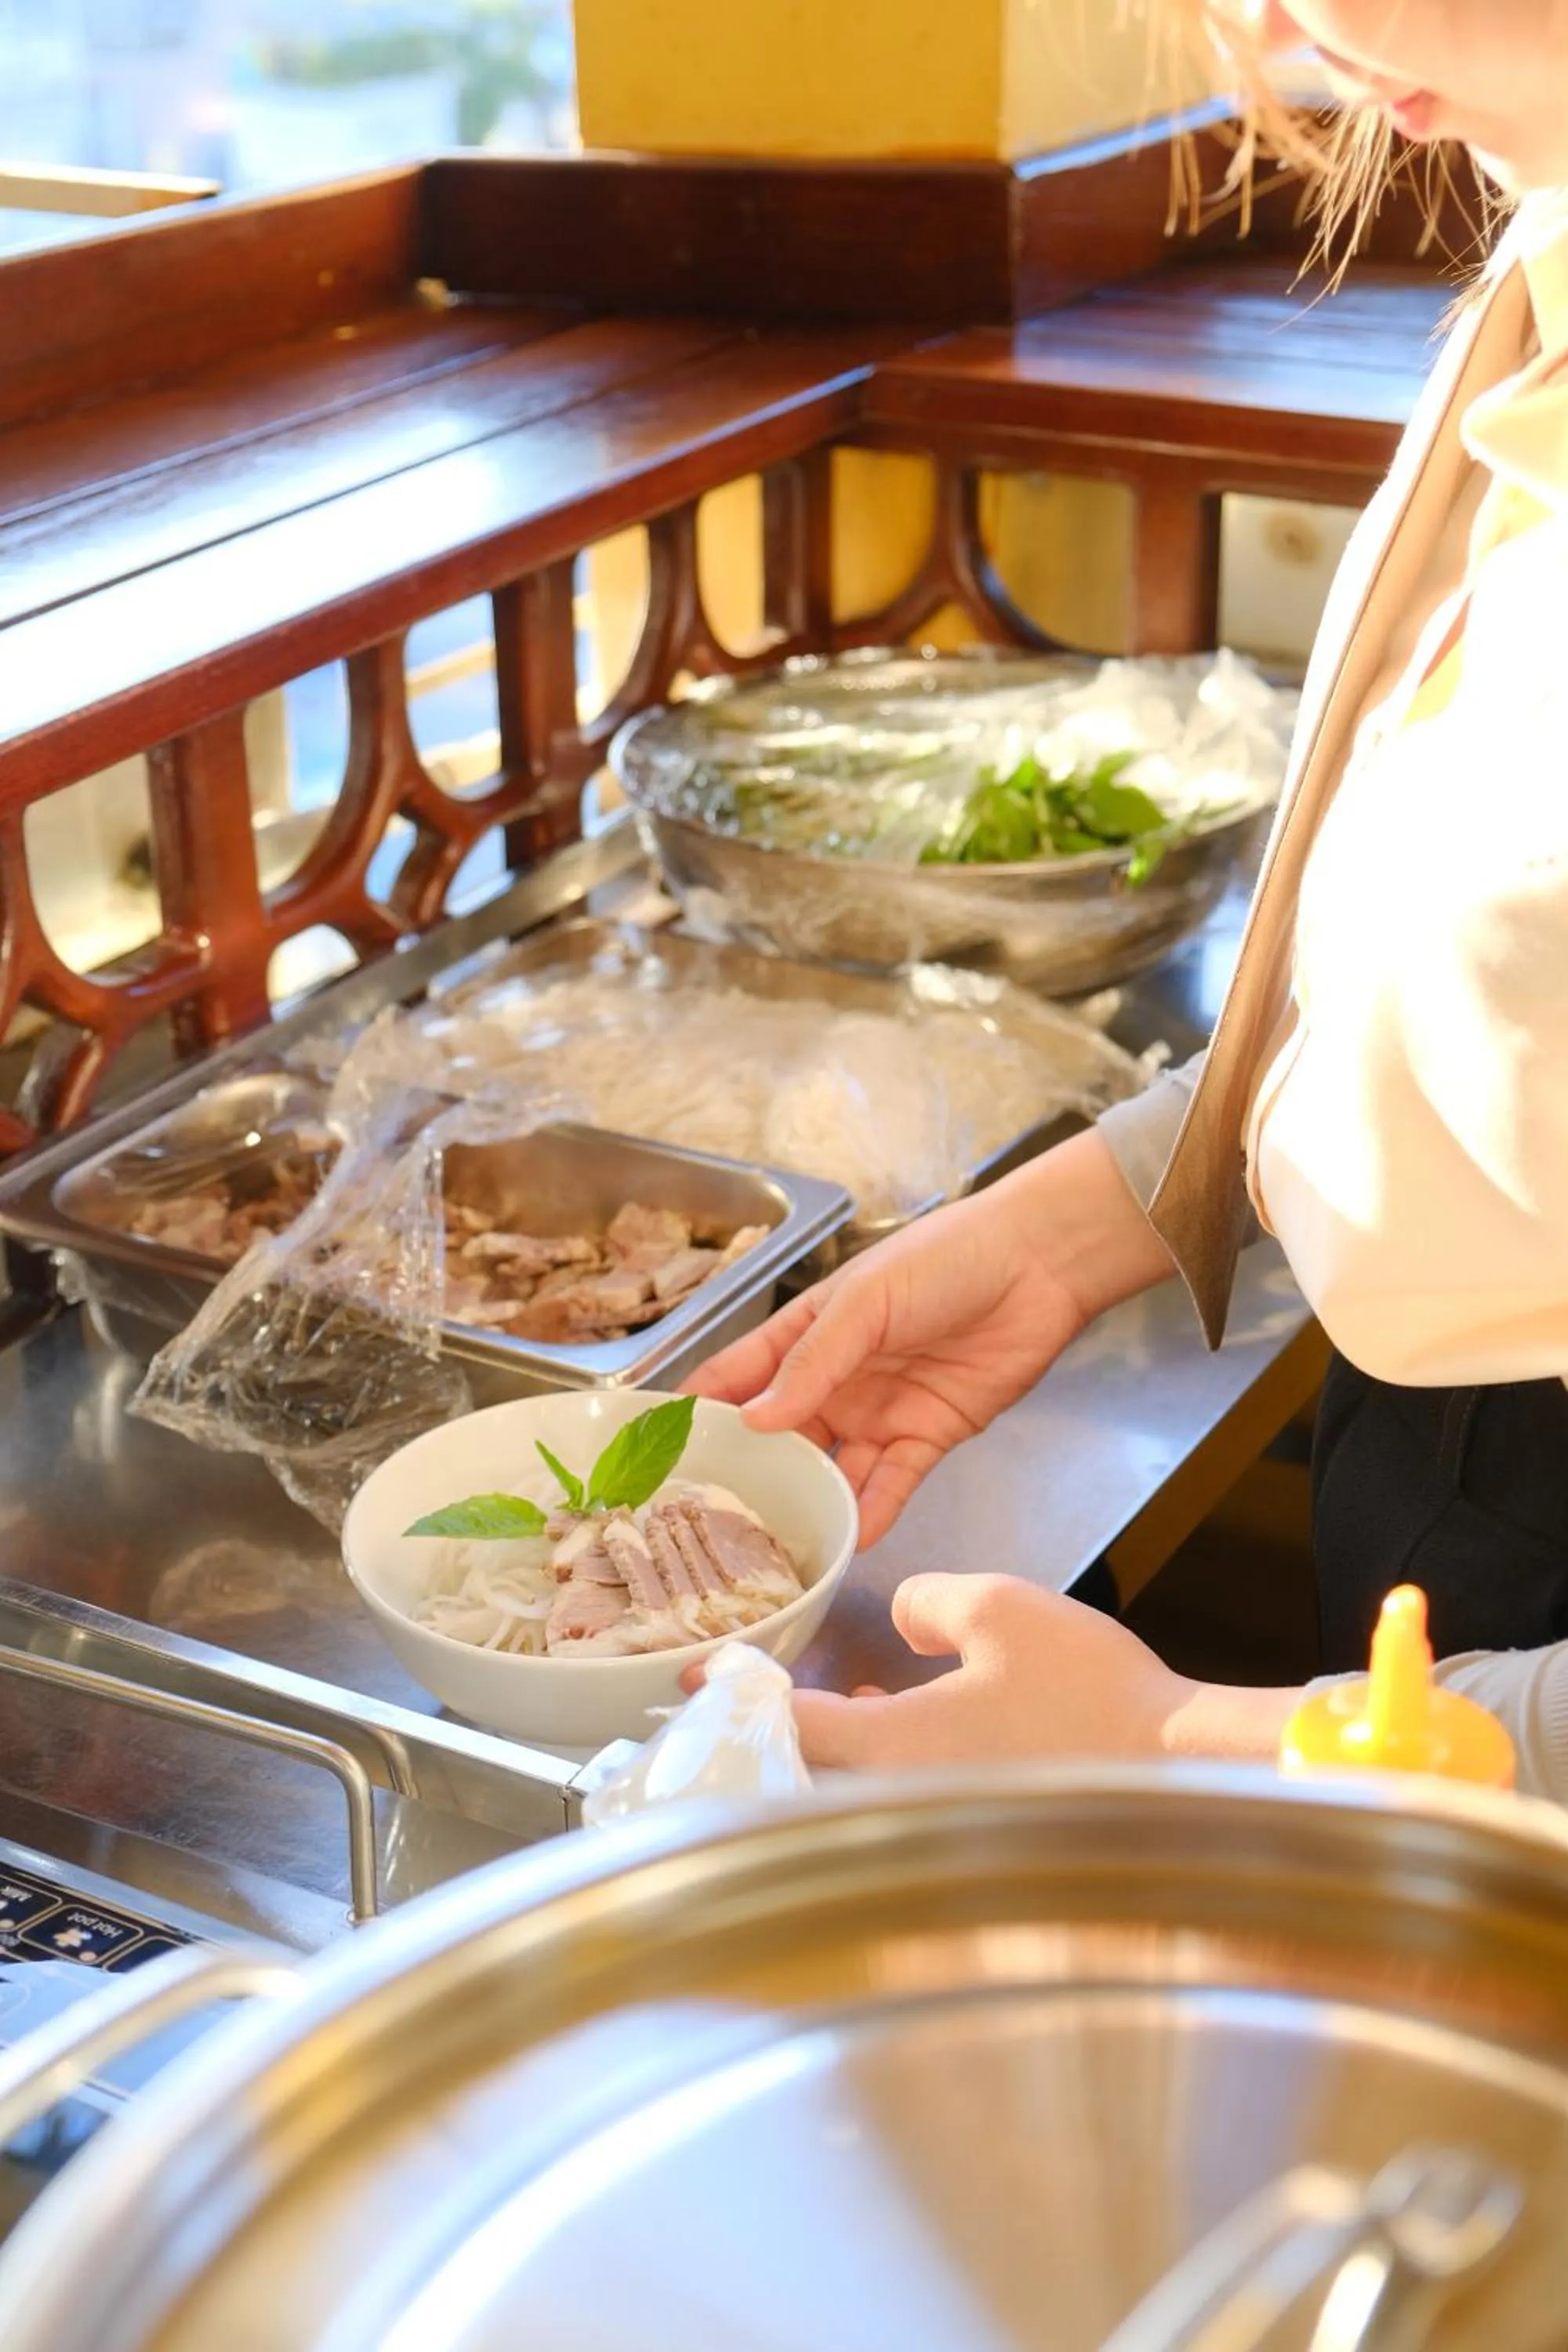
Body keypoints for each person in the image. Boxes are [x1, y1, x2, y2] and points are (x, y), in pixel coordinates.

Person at [690, 0, 1568, 1798]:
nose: (1291, 25)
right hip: (1452, 1442)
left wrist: (1177, 1743)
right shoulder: (1530, 221)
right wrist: (1090, 1215)